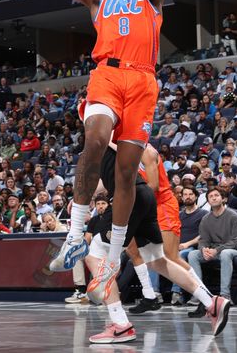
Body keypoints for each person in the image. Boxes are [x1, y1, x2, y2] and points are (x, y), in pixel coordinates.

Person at [47, 0, 166, 303]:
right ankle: (76, 232)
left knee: (125, 174)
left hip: (144, 81)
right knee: (95, 140)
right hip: (107, 75)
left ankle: (114, 256)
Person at [84, 146, 229, 343]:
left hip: (147, 199)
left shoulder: (131, 144)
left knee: (96, 252)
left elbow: (152, 185)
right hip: (144, 199)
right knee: (155, 260)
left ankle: (120, 323)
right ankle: (210, 302)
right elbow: (106, 182)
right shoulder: (120, 142)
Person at [126, 145, 193, 314]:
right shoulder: (125, 150)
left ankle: (204, 296)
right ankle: (149, 295)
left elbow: (153, 186)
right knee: (132, 249)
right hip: (146, 206)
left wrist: (126, 195)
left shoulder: (147, 151)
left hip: (162, 205)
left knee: (170, 257)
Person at [187, 186, 237, 304]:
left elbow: (236, 241)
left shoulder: (233, 216)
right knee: (193, 254)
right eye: (210, 196)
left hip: (233, 250)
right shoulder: (206, 219)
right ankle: (199, 294)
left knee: (225, 254)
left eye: (216, 195)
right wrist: (204, 250)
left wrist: (216, 250)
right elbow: (203, 240)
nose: (213, 198)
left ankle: (225, 295)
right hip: (214, 251)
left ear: (223, 199)